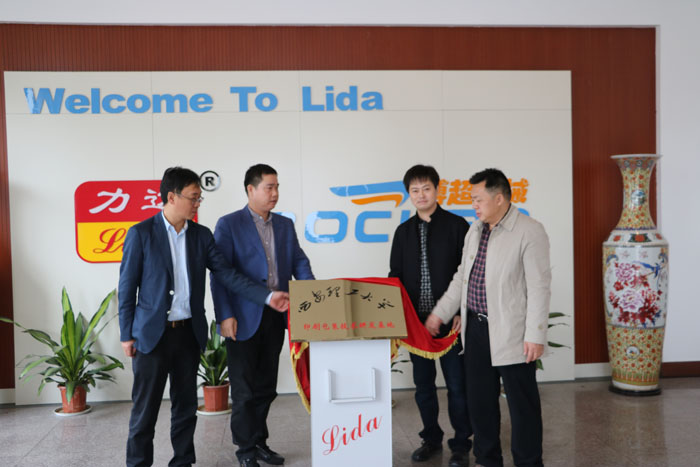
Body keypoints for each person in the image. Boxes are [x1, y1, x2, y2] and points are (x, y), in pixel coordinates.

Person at [118, 167, 289, 467]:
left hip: (188, 335)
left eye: (199, 198)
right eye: (193, 197)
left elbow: (227, 275)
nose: (197, 203)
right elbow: (126, 288)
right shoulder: (141, 233)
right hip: (151, 335)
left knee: (185, 409)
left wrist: (266, 296)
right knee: (145, 411)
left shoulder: (201, 235)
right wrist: (126, 334)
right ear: (172, 197)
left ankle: (183, 462)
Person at [425, 168, 551, 467]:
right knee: (480, 402)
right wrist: (440, 313)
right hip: (476, 331)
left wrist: (535, 334)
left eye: (478, 199)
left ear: (499, 198)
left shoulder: (529, 231)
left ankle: (529, 462)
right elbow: (462, 278)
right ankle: (487, 459)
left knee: (522, 406)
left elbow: (539, 286)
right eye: (472, 200)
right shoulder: (476, 230)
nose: (474, 205)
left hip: (513, 332)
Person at [211, 164, 314, 467]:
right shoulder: (229, 224)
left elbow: (299, 261)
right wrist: (224, 315)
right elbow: (220, 275)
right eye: (269, 187)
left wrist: (311, 294)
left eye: (277, 186)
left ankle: (259, 442)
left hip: (276, 315)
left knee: (266, 387)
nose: (275, 193)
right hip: (241, 318)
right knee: (244, 390)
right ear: (250, 189)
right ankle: (245, 450)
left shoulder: (284, 224)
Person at [389, 165, 473, 467]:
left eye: (426, 188)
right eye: (415, 190)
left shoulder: (457, 226)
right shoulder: (403, 232)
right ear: (408, 194)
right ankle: (431, 439)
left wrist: (462, 310)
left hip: (451, 321)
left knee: (457, 385)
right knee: (423, 385)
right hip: (416, 323)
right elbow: (395, 276)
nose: (421, 195)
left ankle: (461, 444)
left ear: (437, 190)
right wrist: (399, 319)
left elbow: (469, 274)